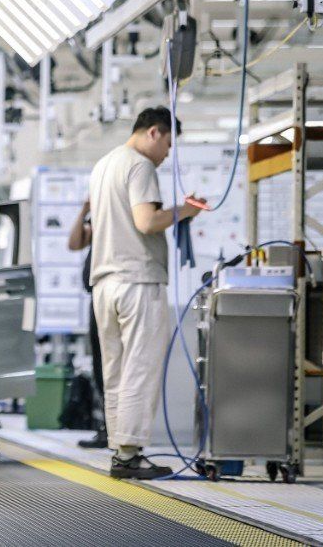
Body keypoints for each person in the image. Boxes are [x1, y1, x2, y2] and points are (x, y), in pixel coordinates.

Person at [89, 107, 205, 479]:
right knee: (140, 368)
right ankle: (130, 453)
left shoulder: (103, 164)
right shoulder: (139, 165)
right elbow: (146, 221)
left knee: (116, 371)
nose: (168, 153)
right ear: (154, 132)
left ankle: (120, 449)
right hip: (137, 279)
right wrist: (186, 211)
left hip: (105, 282)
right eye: (169, 143)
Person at [68, 199, 107, 450]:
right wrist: (84, 210)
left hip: (107, 296)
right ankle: (107, 426)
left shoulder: (114, 220)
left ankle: (113, 429)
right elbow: (73, 243)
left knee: (109, 365)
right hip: (96, 299)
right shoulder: (96, 220)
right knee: (100, 365)